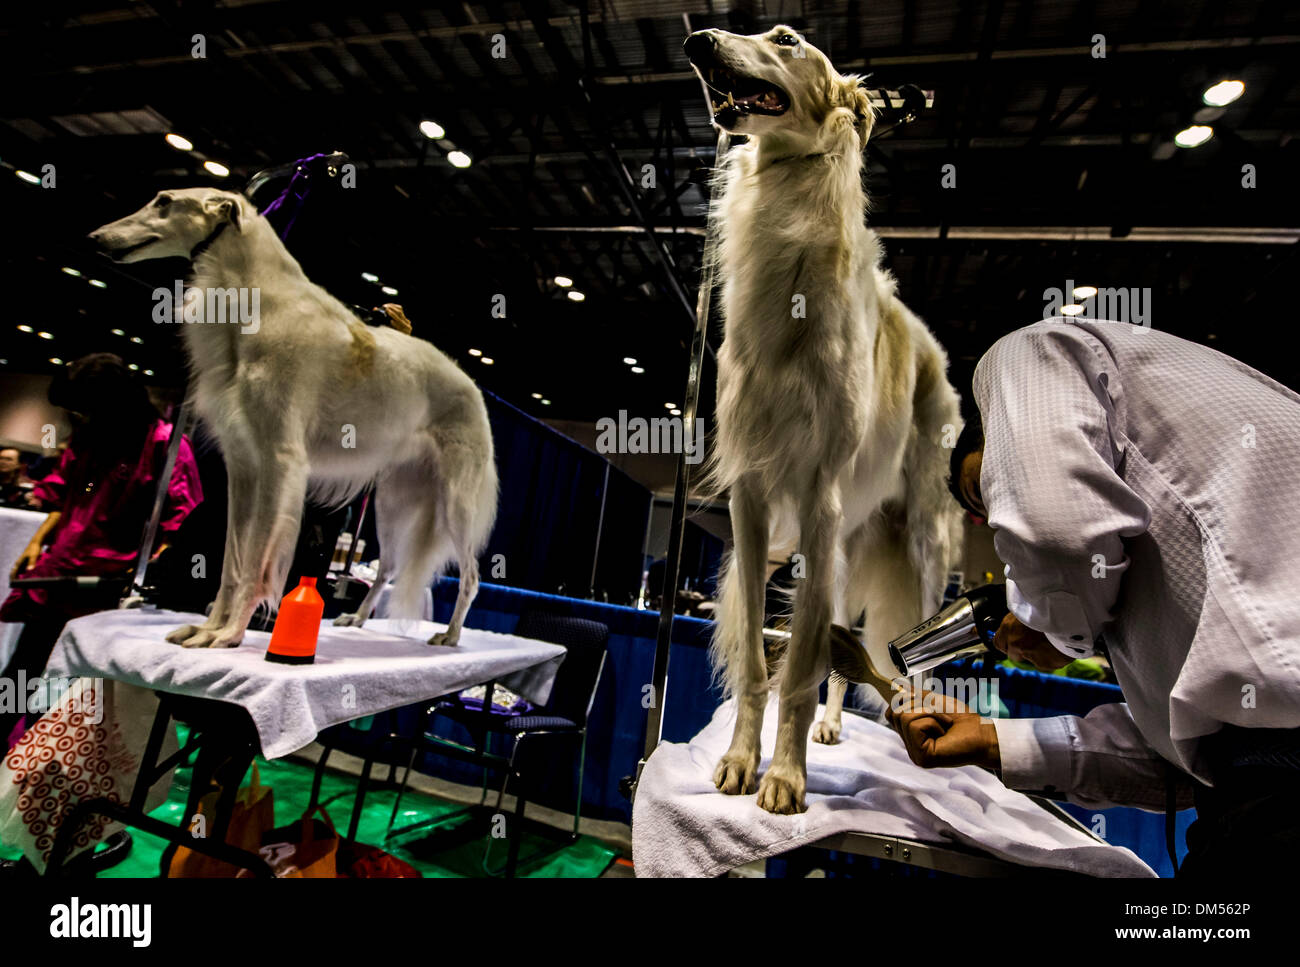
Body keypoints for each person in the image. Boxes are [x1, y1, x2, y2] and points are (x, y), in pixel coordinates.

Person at [889, 318, 1300, 877]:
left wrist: (1051, 627)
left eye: (994, 487)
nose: (1005, 516)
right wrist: (990, 741)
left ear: (1005, 438)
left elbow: (1056, 532)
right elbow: (1177, 760)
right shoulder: (1185, 594)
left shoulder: (1035, 351)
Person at [0, 354, 202, 743]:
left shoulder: (162, 444)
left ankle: (40, 771)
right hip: (56, 577)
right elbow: (69, 497)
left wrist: (154, 565)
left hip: (103, 590)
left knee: (66, 694)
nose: (79, 417)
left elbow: (181, 521)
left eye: (86, 408)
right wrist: (38, 541)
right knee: (19, 677)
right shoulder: (90, 439)